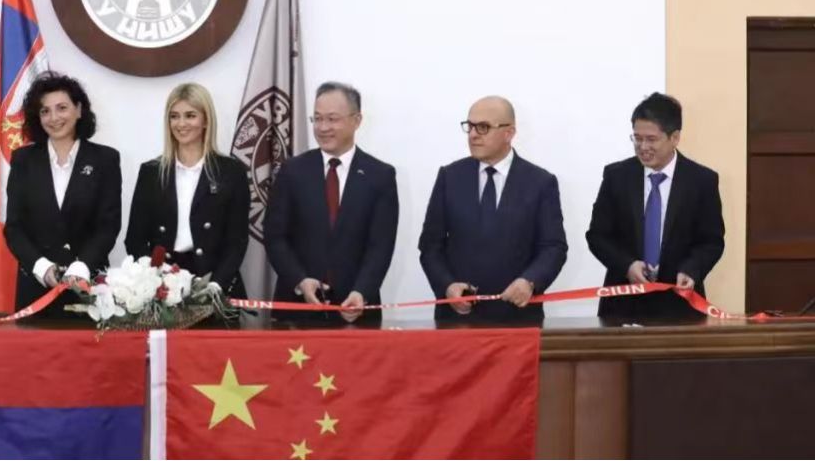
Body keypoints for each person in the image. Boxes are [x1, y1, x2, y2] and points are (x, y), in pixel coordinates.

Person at [419, 96, 567, 323]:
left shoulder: (540, 182)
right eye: (470, 126)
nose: (473, 134)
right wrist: (447, 286)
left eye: (483, 127)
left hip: (517, 317)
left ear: (509, 133)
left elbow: (553, 247)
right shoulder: (450, 177)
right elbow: (430, 245)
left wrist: (529, 281)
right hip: (457, 319)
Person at [265, 82, 399, 323]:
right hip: (296, 310)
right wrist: (299, 280)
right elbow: (275, 237)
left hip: (356, 311)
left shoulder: (380, 176)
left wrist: (361, 292)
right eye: (317, 119)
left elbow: (380, 246)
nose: (323, 127)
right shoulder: (291, 171)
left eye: (332, 119)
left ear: (357, 120)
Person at [587, 92, 724, 320]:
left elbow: (711, 241)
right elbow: (598, 236)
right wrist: (627, 265)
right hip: (623, 305)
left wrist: (691, 270)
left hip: (680, 305)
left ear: (675, 137)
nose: (643, 147)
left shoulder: (702, 181)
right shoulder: (616, 176)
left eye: (651, 139)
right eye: (637, 138)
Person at [3, 71, 121, 318]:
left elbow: (108, 225)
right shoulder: (23, 160)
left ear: (79, 110)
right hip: (35, 289)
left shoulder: (105, 159)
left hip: (90, 289)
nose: (54, 118)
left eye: (62, 108)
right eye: (45, 111)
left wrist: (82, 265)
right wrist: (41, 267)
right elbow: (14, 227)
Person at [124, 83, 250, 298]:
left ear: (206, 120)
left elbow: (236, 241)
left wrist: (216, 285)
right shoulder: (151, 172)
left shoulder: (231, 171)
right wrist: (157, 280)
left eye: (190, 115)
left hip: (215, 282)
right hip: (162, 285)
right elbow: (135, 239)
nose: (181, 124)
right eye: (174, 116)